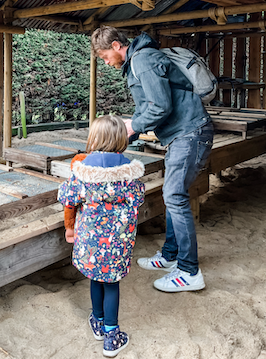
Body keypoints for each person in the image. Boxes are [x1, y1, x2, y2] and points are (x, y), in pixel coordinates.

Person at [91, 26, 213, 293]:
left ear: (115, 46)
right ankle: (170, 256)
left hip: (189, 133)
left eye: (104, 57)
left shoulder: (142, 60)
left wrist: (132, 126)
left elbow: (160, 107)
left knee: (174, 196)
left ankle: (190, 271)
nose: (106, 62)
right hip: (180, 135)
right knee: (174, 194)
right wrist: (123, 138)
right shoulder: (140, 60)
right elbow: (149, 108)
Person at [58, 115, 145, 358]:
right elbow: (138, 198)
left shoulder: (82, 170)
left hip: (90, 240)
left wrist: (69, 227)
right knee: (112, 283)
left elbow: (68, 197)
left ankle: (97, 321)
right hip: (118, 242)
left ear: (94, 138)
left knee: (95, 279)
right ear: (121, 139)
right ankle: (111, 334)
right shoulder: (130, 173)